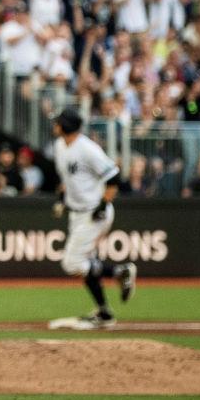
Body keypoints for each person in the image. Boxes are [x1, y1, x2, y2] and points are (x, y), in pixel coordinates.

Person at [51, 108, 137, 330]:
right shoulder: (60, 146)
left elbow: (113, 177)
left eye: (58, 122)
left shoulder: (87, 149)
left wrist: (103, 204)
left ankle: (119, 271)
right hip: (77, 212)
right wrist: (62, 199)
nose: (55, 125)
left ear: (65, 126)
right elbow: (68, 179)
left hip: (93, 213)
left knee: (72, 263)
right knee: (85, 263)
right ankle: (104, 313)